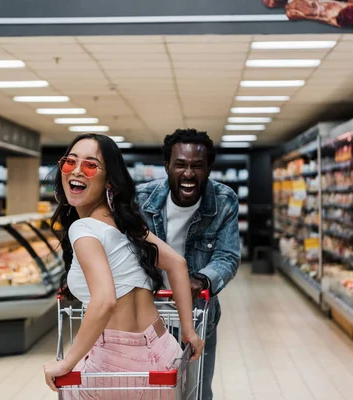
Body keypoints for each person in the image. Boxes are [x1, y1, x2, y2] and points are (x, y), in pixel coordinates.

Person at [43, 133, 205, 396]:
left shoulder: (83, 229)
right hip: (165, 353)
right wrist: (188, 332)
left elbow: (104, 300)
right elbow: (176, 263)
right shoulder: (127, 226)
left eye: (90, 165)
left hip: (116, 367)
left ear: (110, 182)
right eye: (70, 162)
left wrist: (67, 362)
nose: (77, 171)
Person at [136, 128, 241, 400]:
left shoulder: (224, 200)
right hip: (149, 314)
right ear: (167, 167)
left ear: (209, 168)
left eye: (197, 166)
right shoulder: (142, 200)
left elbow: (228, 256)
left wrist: (202, 280)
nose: (189, 174)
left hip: (197, 316)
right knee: (153, 393)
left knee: (196, 392)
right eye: (180, 165)